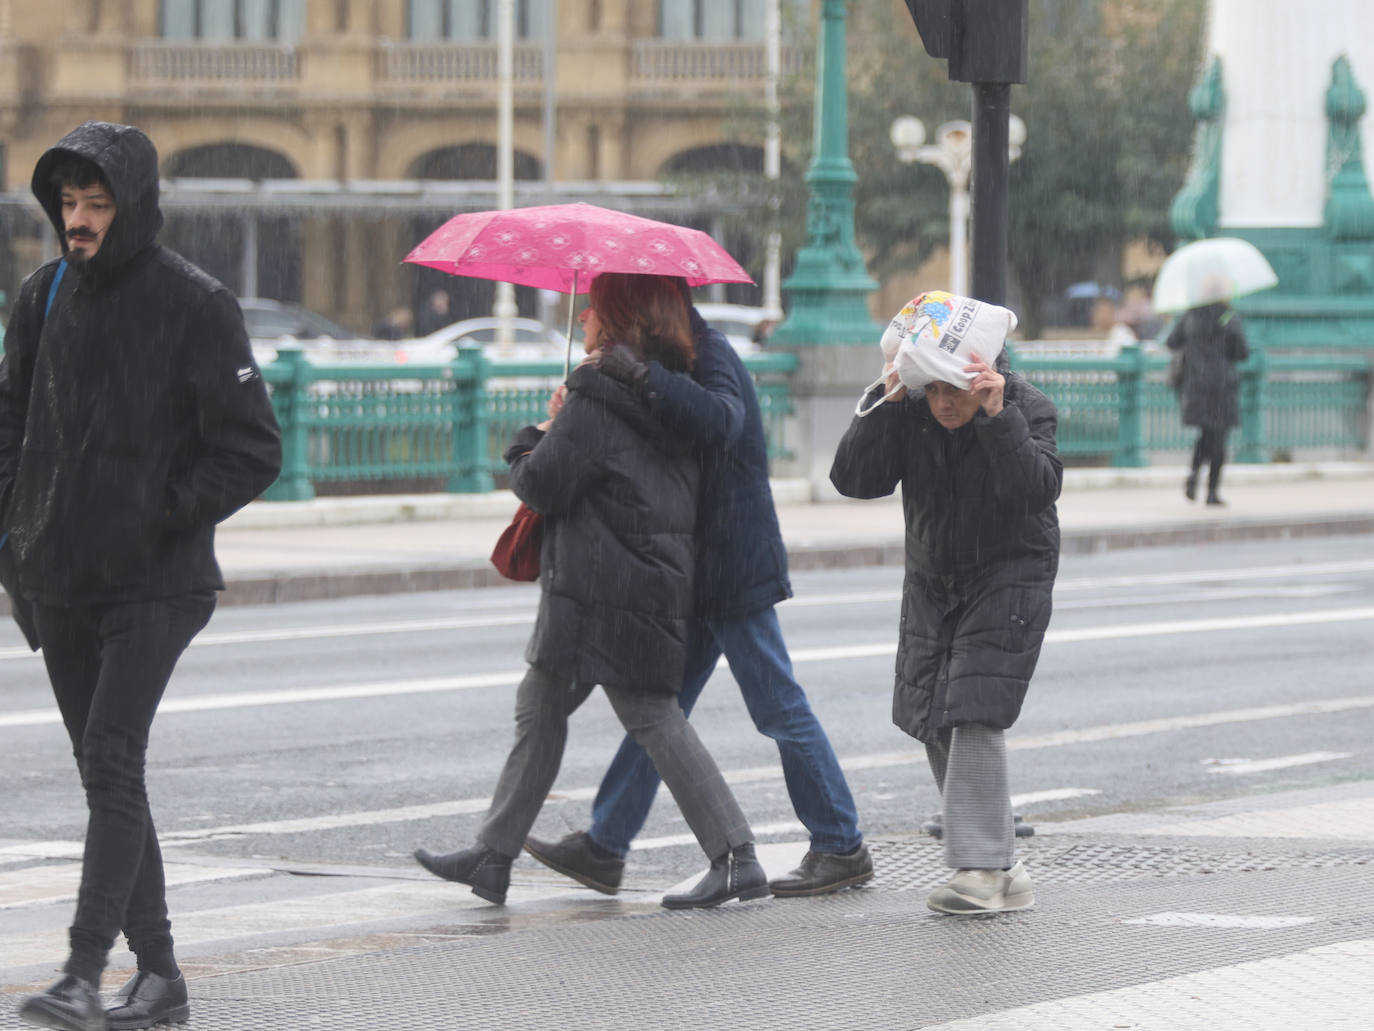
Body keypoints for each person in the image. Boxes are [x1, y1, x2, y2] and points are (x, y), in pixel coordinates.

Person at [0, 123, 282, 1031]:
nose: (78, 222)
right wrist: (14, 529)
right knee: (105, 775)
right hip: (59, 577)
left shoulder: (193, 304)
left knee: (114, 760)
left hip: (157, 581)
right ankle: (160, 976)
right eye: (68, 204)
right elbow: (9, 425)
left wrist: (156, 511)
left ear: (134, 205)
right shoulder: (41, 295)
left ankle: (84, 971)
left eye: (96, 204)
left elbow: (253, 449)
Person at [413, 273, 768, 910]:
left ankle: (736, 855)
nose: (582, 323)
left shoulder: (598, 393)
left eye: (591, 313)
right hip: (644, 579)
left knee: (651, 717)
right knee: (543, 707)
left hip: (601, 589)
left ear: (615, 318)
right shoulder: (671, 390)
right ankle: (493, 855)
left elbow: (544, 485)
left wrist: (532, 436)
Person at [522, 283, 871, 900]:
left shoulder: (709, 354)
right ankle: (606, 844)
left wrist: (637, 376)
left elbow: (720, 421)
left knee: (776, 705)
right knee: (659, 712)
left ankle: (840, 842)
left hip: (732, 565)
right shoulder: (673, 361)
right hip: (692, 569)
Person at [829, 346, 1060, 915]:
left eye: (950, 390)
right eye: (929, 389)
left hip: (1010, 573)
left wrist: (997, 417)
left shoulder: (1027, 406)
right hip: (935, 578)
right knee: (931, 711)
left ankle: (980, 868)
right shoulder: (908, 409)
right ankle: (1002, 866)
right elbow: (854, 480)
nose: (941, 403)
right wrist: (883, 400)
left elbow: (1036, 488)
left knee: (973, 707)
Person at [1166, 300, 1249, 505]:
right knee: (1219, 439)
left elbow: (1172, 341)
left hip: (1197, 384)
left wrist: (1196, 347)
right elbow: (1241, 352)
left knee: (1205, 435)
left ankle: (1193, 475)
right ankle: (1212, 491)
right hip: (1222, 386)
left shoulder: (1191, 315)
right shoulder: (1228, 317)